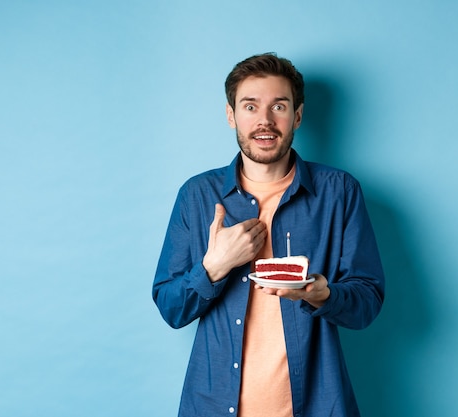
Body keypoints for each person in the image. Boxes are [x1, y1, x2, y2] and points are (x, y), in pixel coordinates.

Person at [153, 53, 385, 417]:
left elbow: (368, 300)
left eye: (278, 106)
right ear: (231, 115)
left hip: (316, 405)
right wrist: (213, 267)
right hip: (213, 406)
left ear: (297, 115)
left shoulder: (339, 192)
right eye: (250, 106)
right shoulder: (198, 196)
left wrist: (323, 294)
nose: (264, 121)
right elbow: (170, 308)